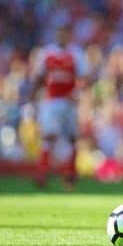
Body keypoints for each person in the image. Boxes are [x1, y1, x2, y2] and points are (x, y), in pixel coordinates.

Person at [30, 23, 89, 188]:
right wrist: (33, 96)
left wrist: (77, 91)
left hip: (69, 102)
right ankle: (42, 173)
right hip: (51, 101)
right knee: (49, 135)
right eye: (59, 33)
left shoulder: (76, 54)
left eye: (64, 33)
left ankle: (70, 174)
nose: (61, 36)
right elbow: (38, 76)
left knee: (71, 137)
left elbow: (84, 77)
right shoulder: (46, 53)